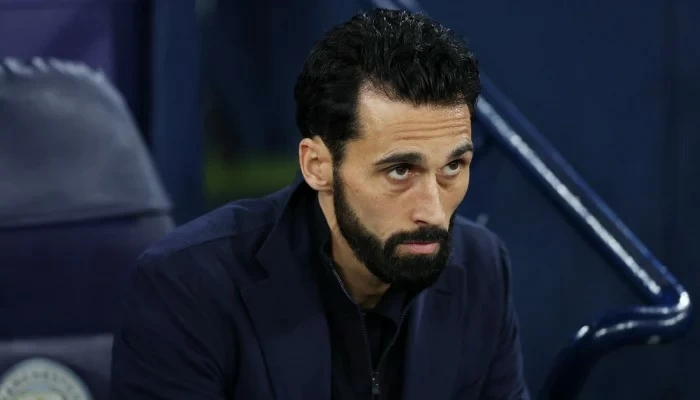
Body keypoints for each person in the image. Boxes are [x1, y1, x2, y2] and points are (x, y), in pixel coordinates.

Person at [110, 8, 530, 400]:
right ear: (318, 166)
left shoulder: (481, 268)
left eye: (453, 166)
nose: (434, 212)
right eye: (400, 170)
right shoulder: (189, 286)